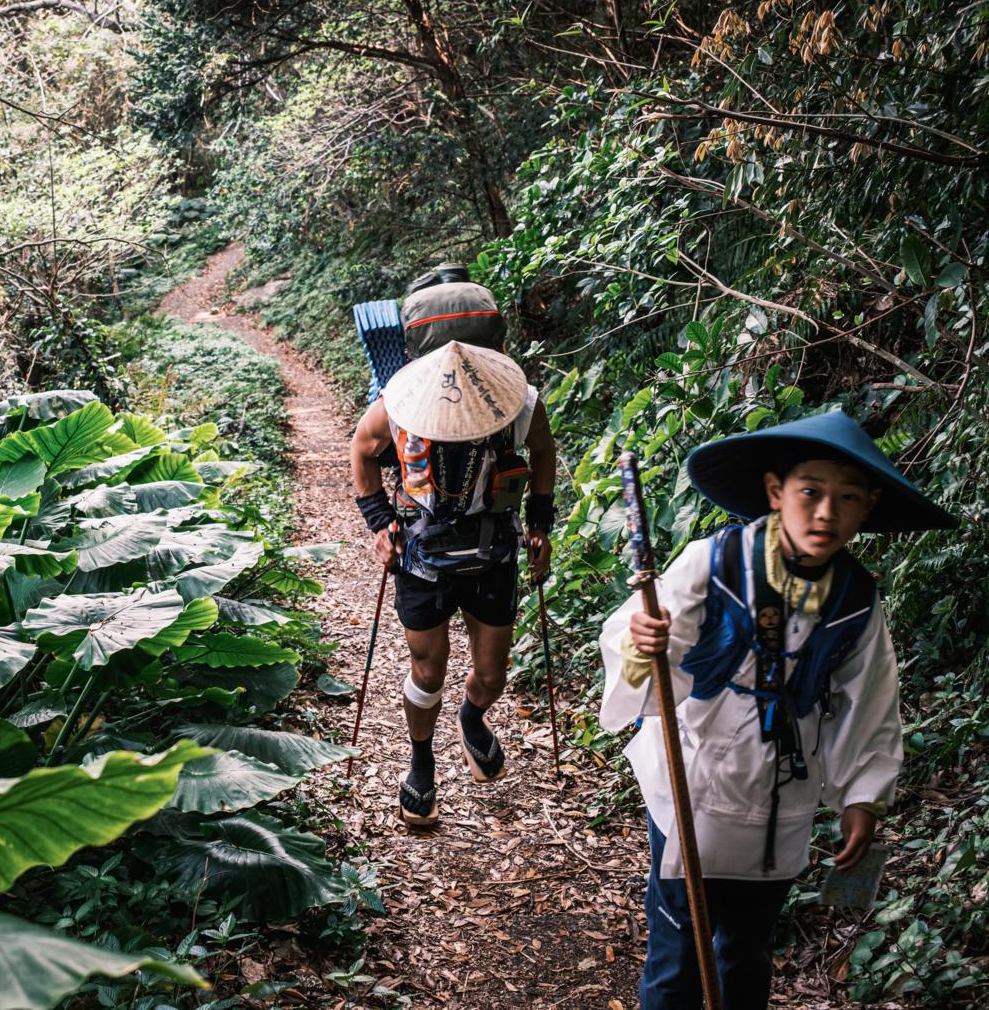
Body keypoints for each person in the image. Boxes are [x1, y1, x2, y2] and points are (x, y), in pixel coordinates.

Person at [598, 409, 956, 1009]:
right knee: (678, 954)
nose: (825, 513)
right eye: (810, 492)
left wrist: (861, 796)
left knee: (747, 952)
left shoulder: (854, 600)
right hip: (695, 780)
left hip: (781, 796)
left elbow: (867, 703)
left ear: (868, 507)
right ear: (775, 493)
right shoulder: (713, 562)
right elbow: (652, 644)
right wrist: (647, 640)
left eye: (846, 499)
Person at [350, 278, 557, 826]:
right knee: (428, 669)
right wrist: (379, 523)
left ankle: (472, 719)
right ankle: (421, 763)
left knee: (492, 675)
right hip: (421, 556)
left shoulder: (519, 404)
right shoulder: (398, 406)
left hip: (494, 554)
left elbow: (542, 451)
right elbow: (362, 448)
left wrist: (540, 523)